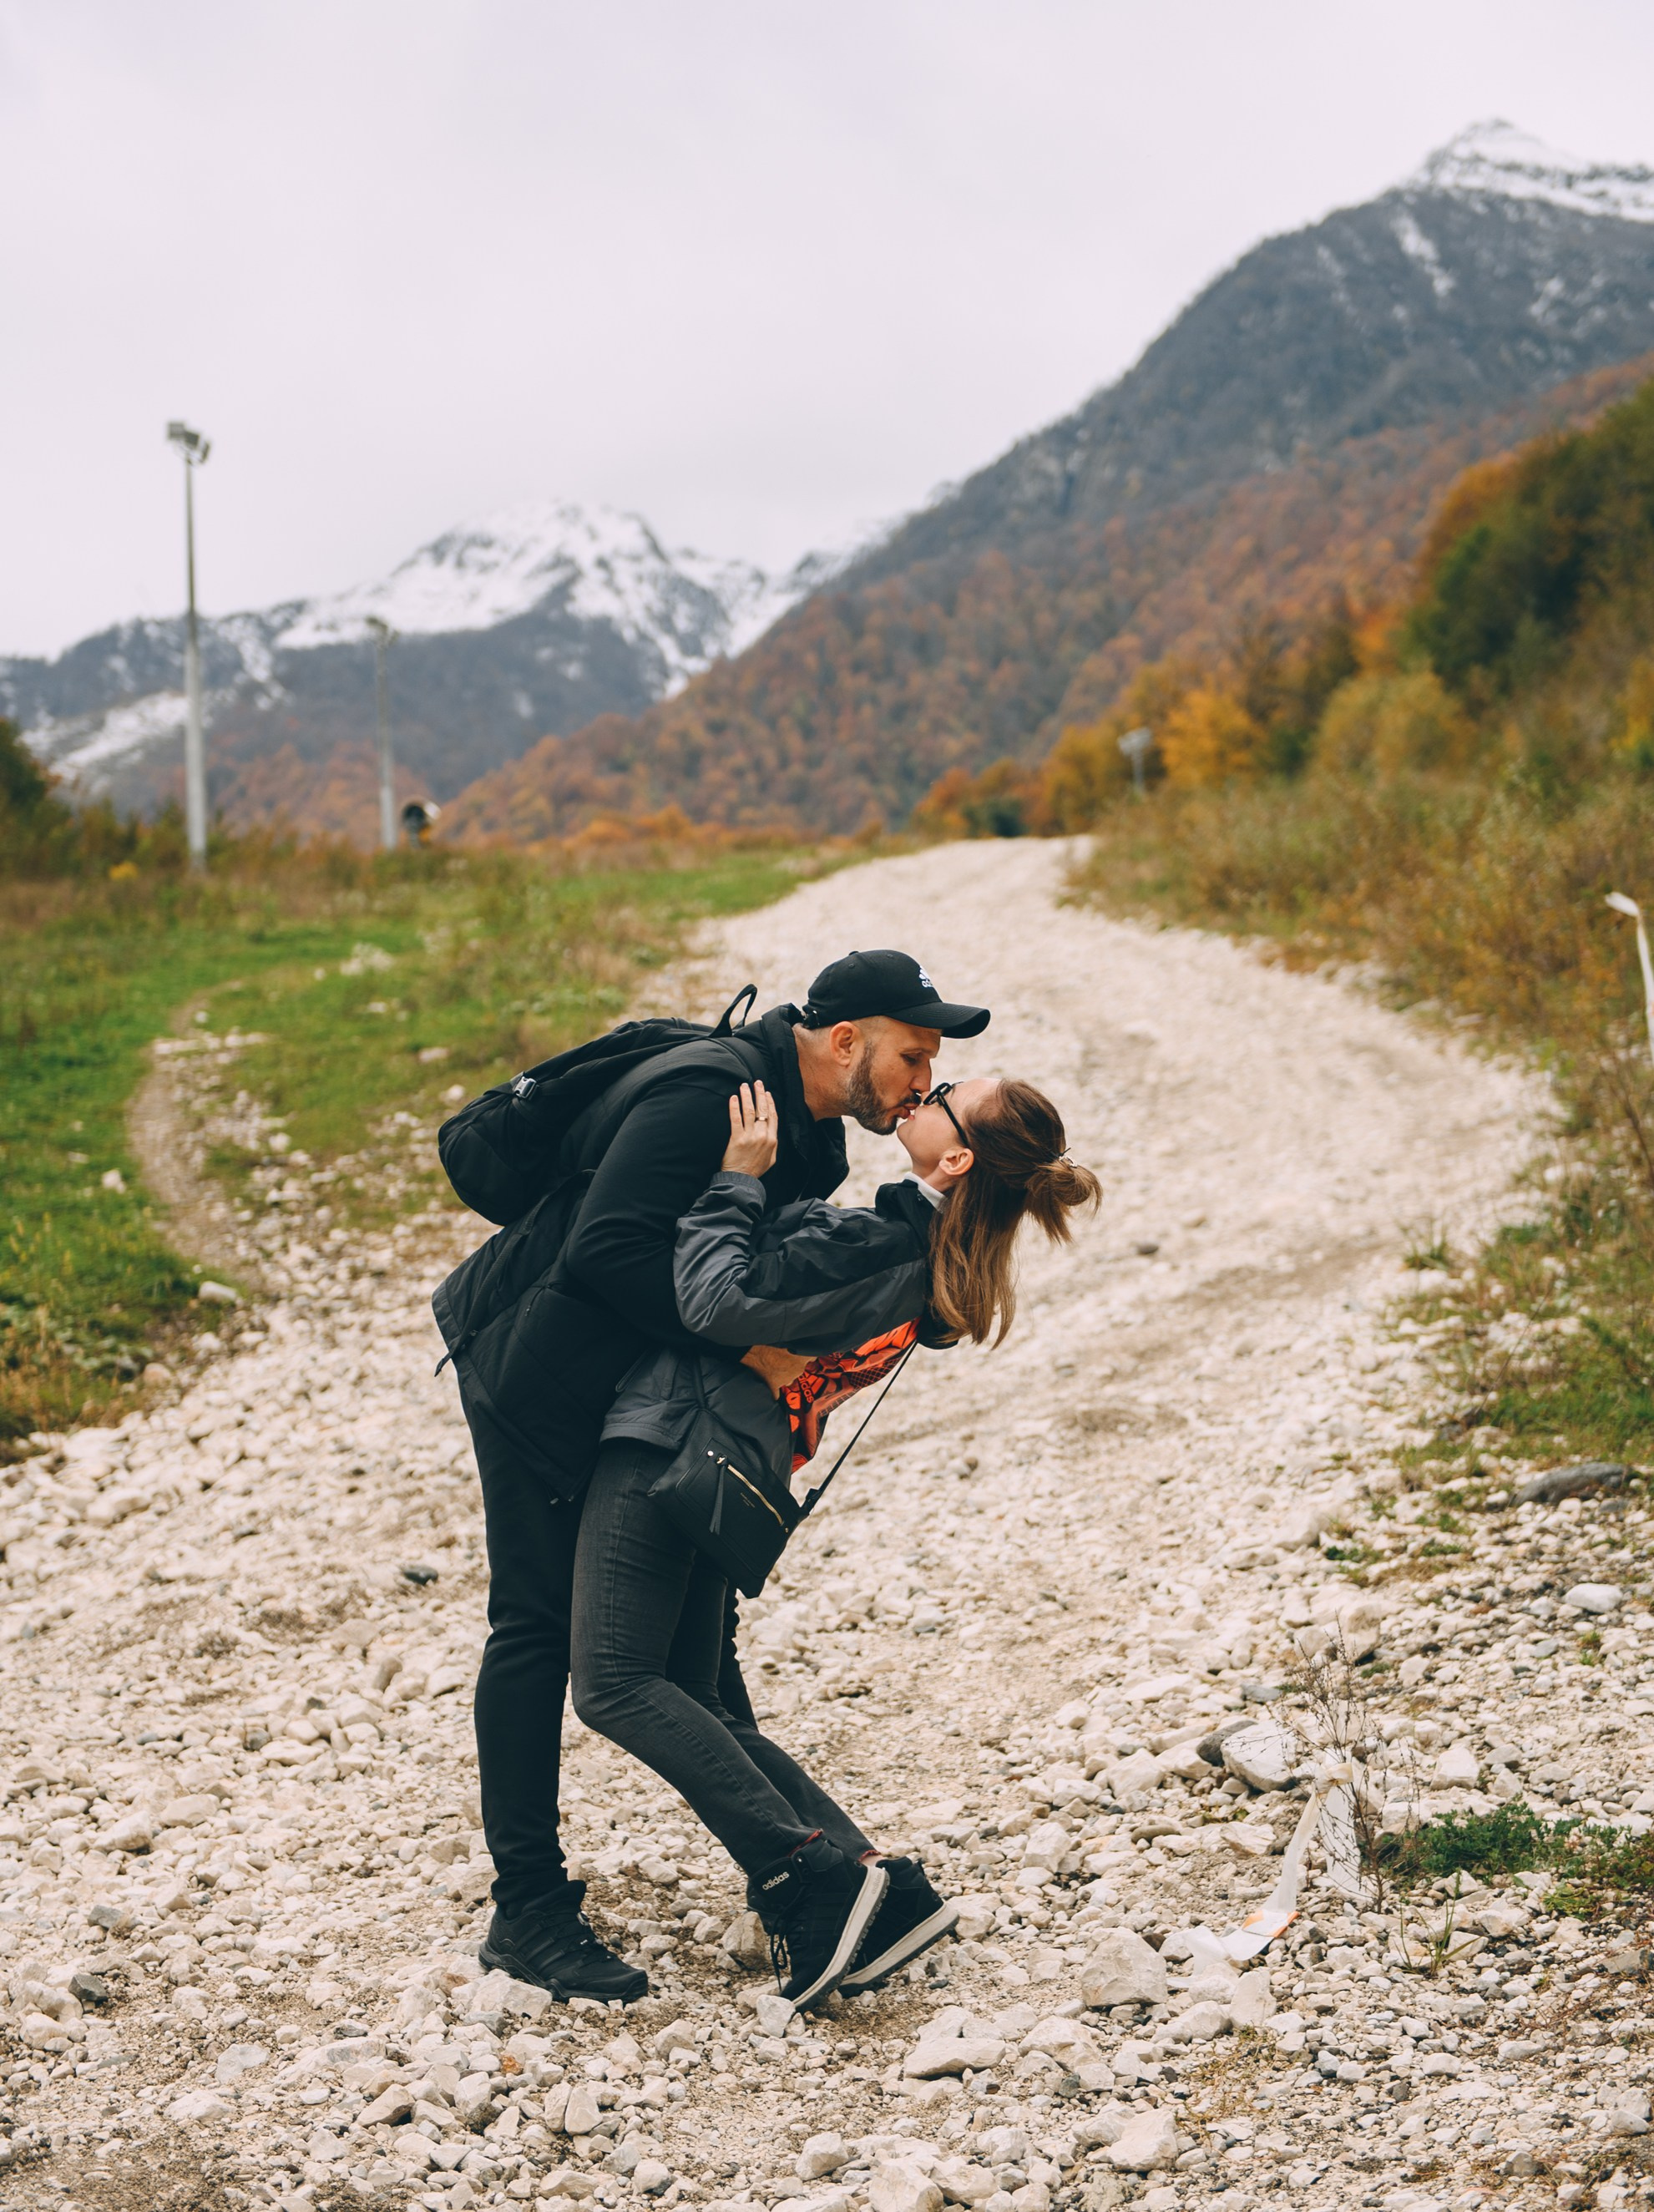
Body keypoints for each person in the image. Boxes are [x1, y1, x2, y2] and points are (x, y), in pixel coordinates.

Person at [463, 952, 992, 2002]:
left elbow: (761, 1270)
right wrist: (747, 1352)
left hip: (647, 1403)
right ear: (845, 1041)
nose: (917, 1080)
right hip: (538, 1373)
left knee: (693, 1663)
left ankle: (828, 1875)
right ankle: (528, 1911)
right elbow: (608, 1255)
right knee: (533, 1632)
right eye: (911, 1055)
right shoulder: (714, 1095)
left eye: (931, 1067)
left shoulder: (813, 1141)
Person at [569, 1074, 1101, 2007]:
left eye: (940, 1093)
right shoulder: (930, 1252)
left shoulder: (880, 1237)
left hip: (675, 1439)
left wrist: (737, 1181)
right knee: (695, 1695)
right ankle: (879, 1886)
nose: (920, 1095)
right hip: (734, 1456)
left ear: (955, 1158)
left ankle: (804, 1875)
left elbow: (710, 1301)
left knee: (615, 1683)